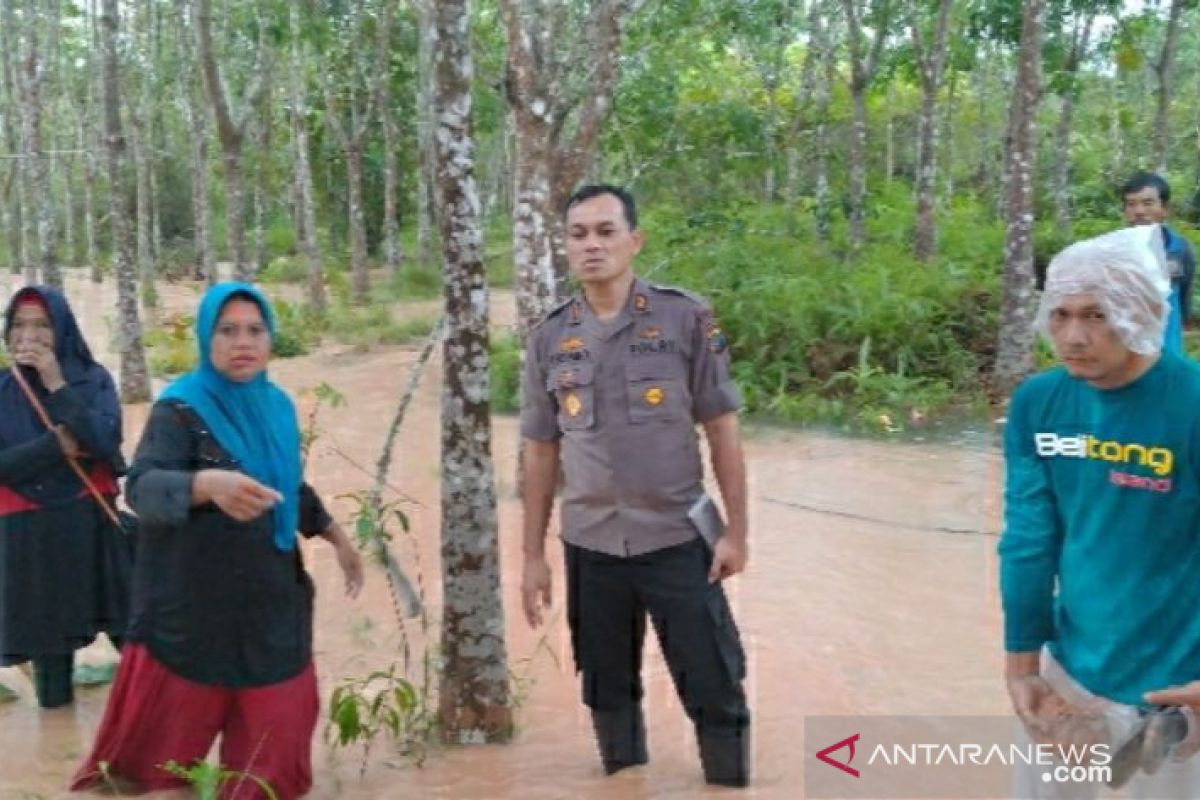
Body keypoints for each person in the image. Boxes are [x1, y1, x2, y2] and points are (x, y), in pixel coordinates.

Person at [72, 282, 364, 799]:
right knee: (157, 774)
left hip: (268, 606)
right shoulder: (180, 409)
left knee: (269, 762)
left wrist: (336, 536)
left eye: (255, 330)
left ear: (271, 339)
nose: (241, 342)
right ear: (207, 338)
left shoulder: (276, 407)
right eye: (227, 330)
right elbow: (141, 487)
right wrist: (204, 486)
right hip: (190, 614)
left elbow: (287, 483)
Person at [519, 184, 752, 787]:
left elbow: (723, 430)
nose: (591, 245)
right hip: (592, 545)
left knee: (714, 683)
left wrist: (737, 535)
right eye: (578, 234)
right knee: (606, 686)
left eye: (605, 231)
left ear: (635, 240)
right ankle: (625, 778)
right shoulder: (548, 338)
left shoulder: (685, 318)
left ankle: (728, 780)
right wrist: (531, 557)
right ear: (564, 247)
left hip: (679, 538)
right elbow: (541, 452)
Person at [999, 225, 1200, 798]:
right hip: (1071, 672)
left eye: (1096, 315)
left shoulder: (1190, 404)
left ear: (1140, 311)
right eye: (1059, 315)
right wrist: (1022, 669)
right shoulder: (1040, 404)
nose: (1073, 337)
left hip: (1176, 688)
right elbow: (1029, 542)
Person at [0, 285, 129, 709]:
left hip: (93, 523)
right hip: (32, 533)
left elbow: (105, 442)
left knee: (131, 632)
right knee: (50, 653)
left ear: (63, 331)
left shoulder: (92, 380)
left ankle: (159, 734)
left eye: (42, 325)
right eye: (18, 325)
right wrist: (54, 447)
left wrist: (57, 385)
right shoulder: (3, 391)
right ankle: (58, 744)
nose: (28, 336)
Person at [1121, 171, 1197, 354]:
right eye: (1131, 204)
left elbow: (1183, 297)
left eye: (1148, 203)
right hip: (1125, 352)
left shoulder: (1180, 249)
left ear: (1165, 209)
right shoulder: (1114, 252)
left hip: (1168, 348)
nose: (1139, 211)